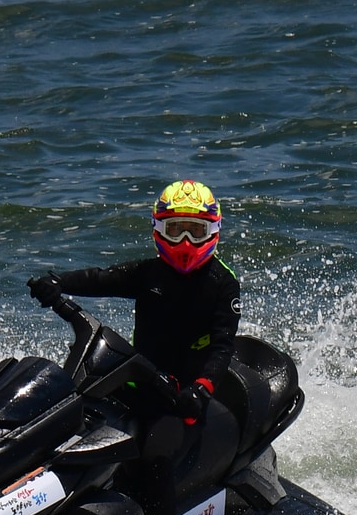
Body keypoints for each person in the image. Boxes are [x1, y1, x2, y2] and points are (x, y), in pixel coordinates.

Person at [26, 180, 240, 424]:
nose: (185, 241)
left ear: (213, 230)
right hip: (140, 381)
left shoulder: (223, 282)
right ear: (158, 229)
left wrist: (200, 389)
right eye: (176, 229)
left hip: (187, 396)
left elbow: (223, 347)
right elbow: (101, 278)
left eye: (196, 230)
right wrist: (58, 283)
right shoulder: (149, 272)